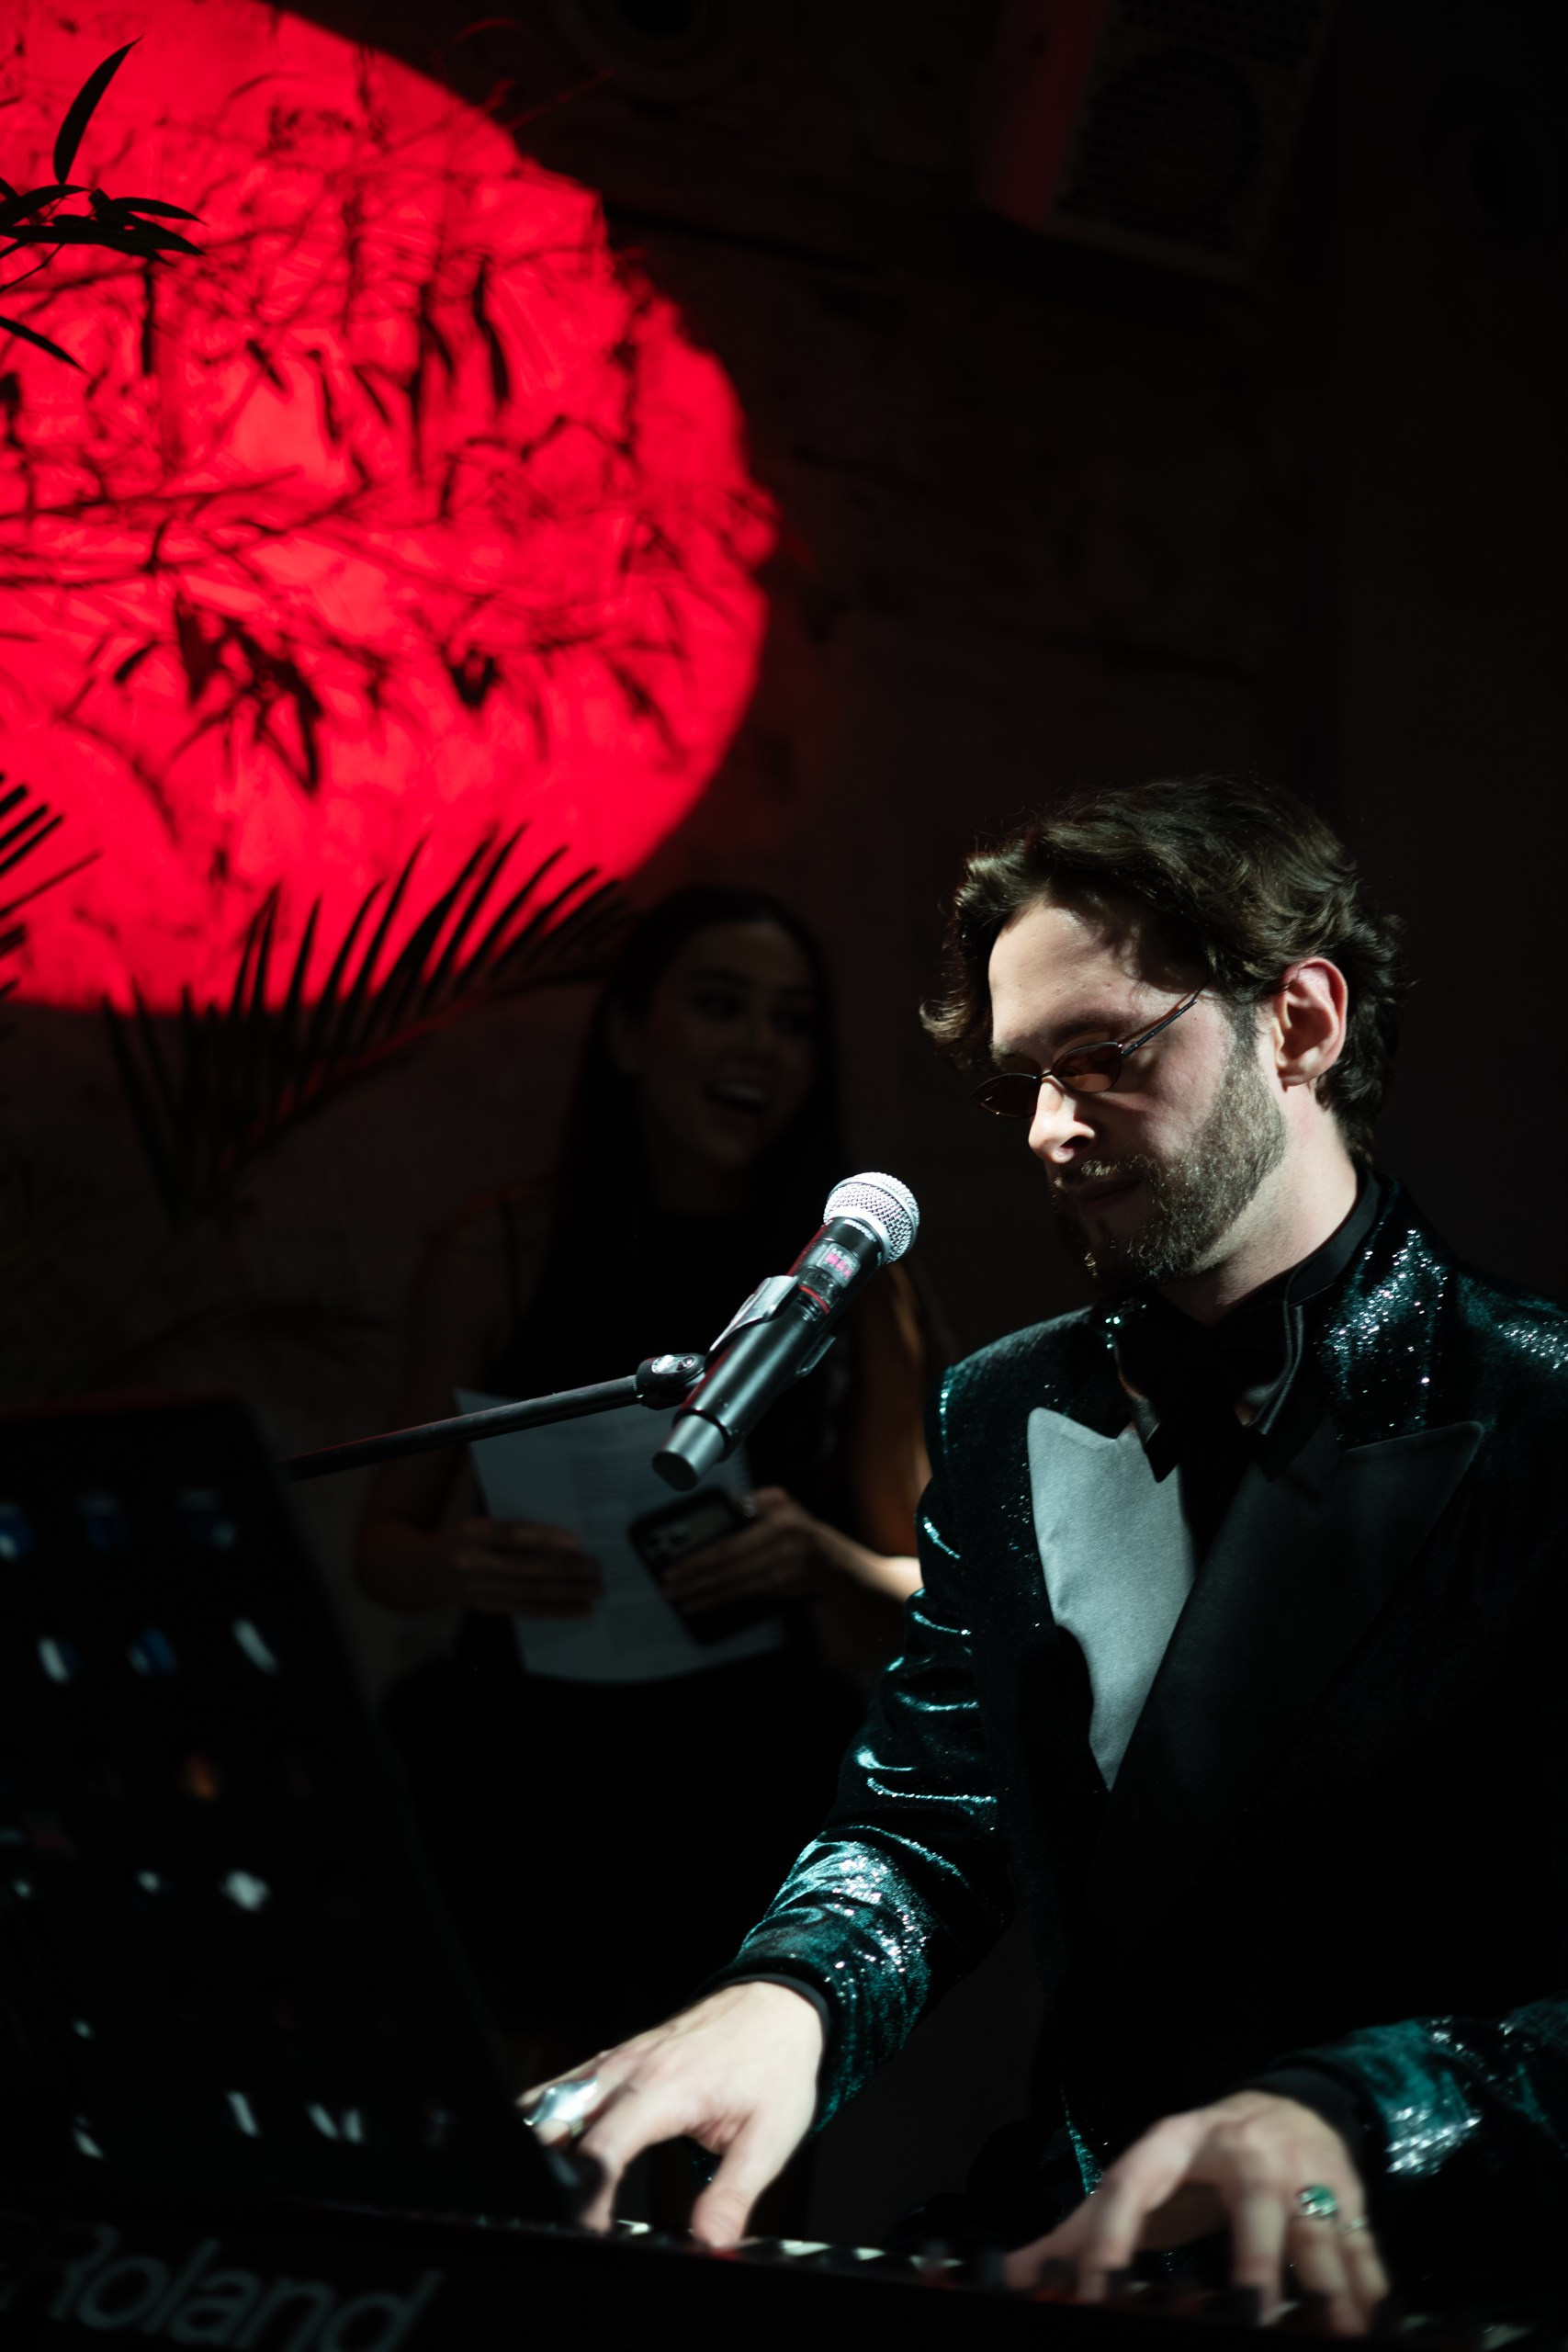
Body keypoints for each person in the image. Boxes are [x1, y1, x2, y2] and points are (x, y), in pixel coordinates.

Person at [524, 775, 1568, 2329]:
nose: (1051, 1131)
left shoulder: (1542, 1411)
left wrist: (1357, 2113)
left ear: (1300, 1024)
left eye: (1104, 1059)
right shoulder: (1003, 1410)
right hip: (1084, 2242)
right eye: (1024, 1079)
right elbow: (928, 1819)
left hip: (1446, 2279)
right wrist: (788, 1998)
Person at [354, 886, 935, 2077]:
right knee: (521, 2131)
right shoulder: (499, 1251)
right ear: (628, 1033)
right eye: (720, 1006)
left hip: (745, 1782)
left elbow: (921, 1599)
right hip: (520, 1774)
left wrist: (820, 1558)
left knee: (713, 2129)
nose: (757, 1047)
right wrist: (460, 1562)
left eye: (791, 1022)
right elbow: (384, 1552)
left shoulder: (851, 1281)